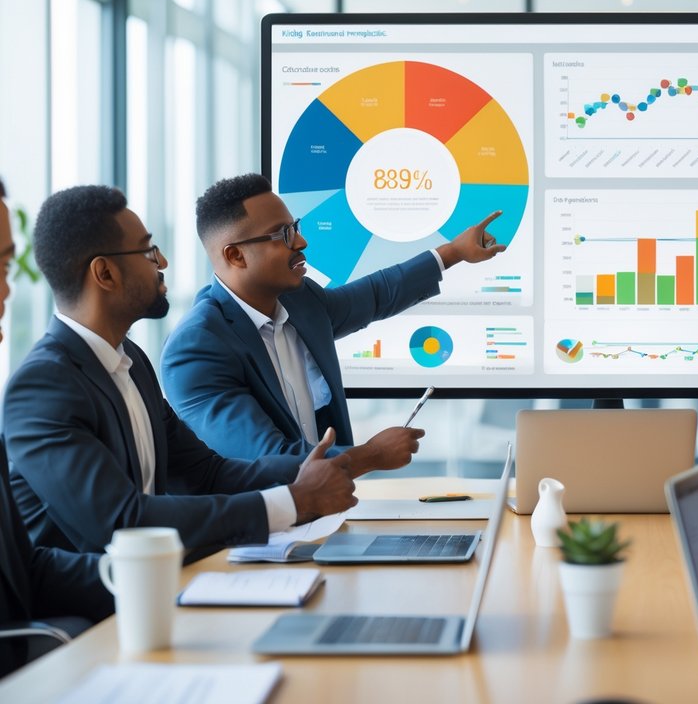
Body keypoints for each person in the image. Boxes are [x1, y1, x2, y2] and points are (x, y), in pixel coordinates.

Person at [2, 184, 406, 559]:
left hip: (154, 589)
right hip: (87, 618)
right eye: (148, 252)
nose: (161, 262)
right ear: (105, 274)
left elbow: (208, 473)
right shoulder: (43, 386)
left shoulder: (133, 363)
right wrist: (296, 501)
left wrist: (324, 470)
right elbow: (122, 522)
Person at [161, 174, 505, 459]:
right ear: (235, 256)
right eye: (283, 234)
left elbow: (375, 295)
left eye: (294, 227)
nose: (301, 241)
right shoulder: (196, 348)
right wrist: (371, 455)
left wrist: (455, 252)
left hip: (322, 514)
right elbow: (270, 457)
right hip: (254, 532)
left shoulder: (301, 300)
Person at [0, 178, 113, 678]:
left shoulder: (134, 369)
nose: (7, 289)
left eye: (5, 266)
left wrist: (146, 575)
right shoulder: (42, 383)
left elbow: (26, 570)